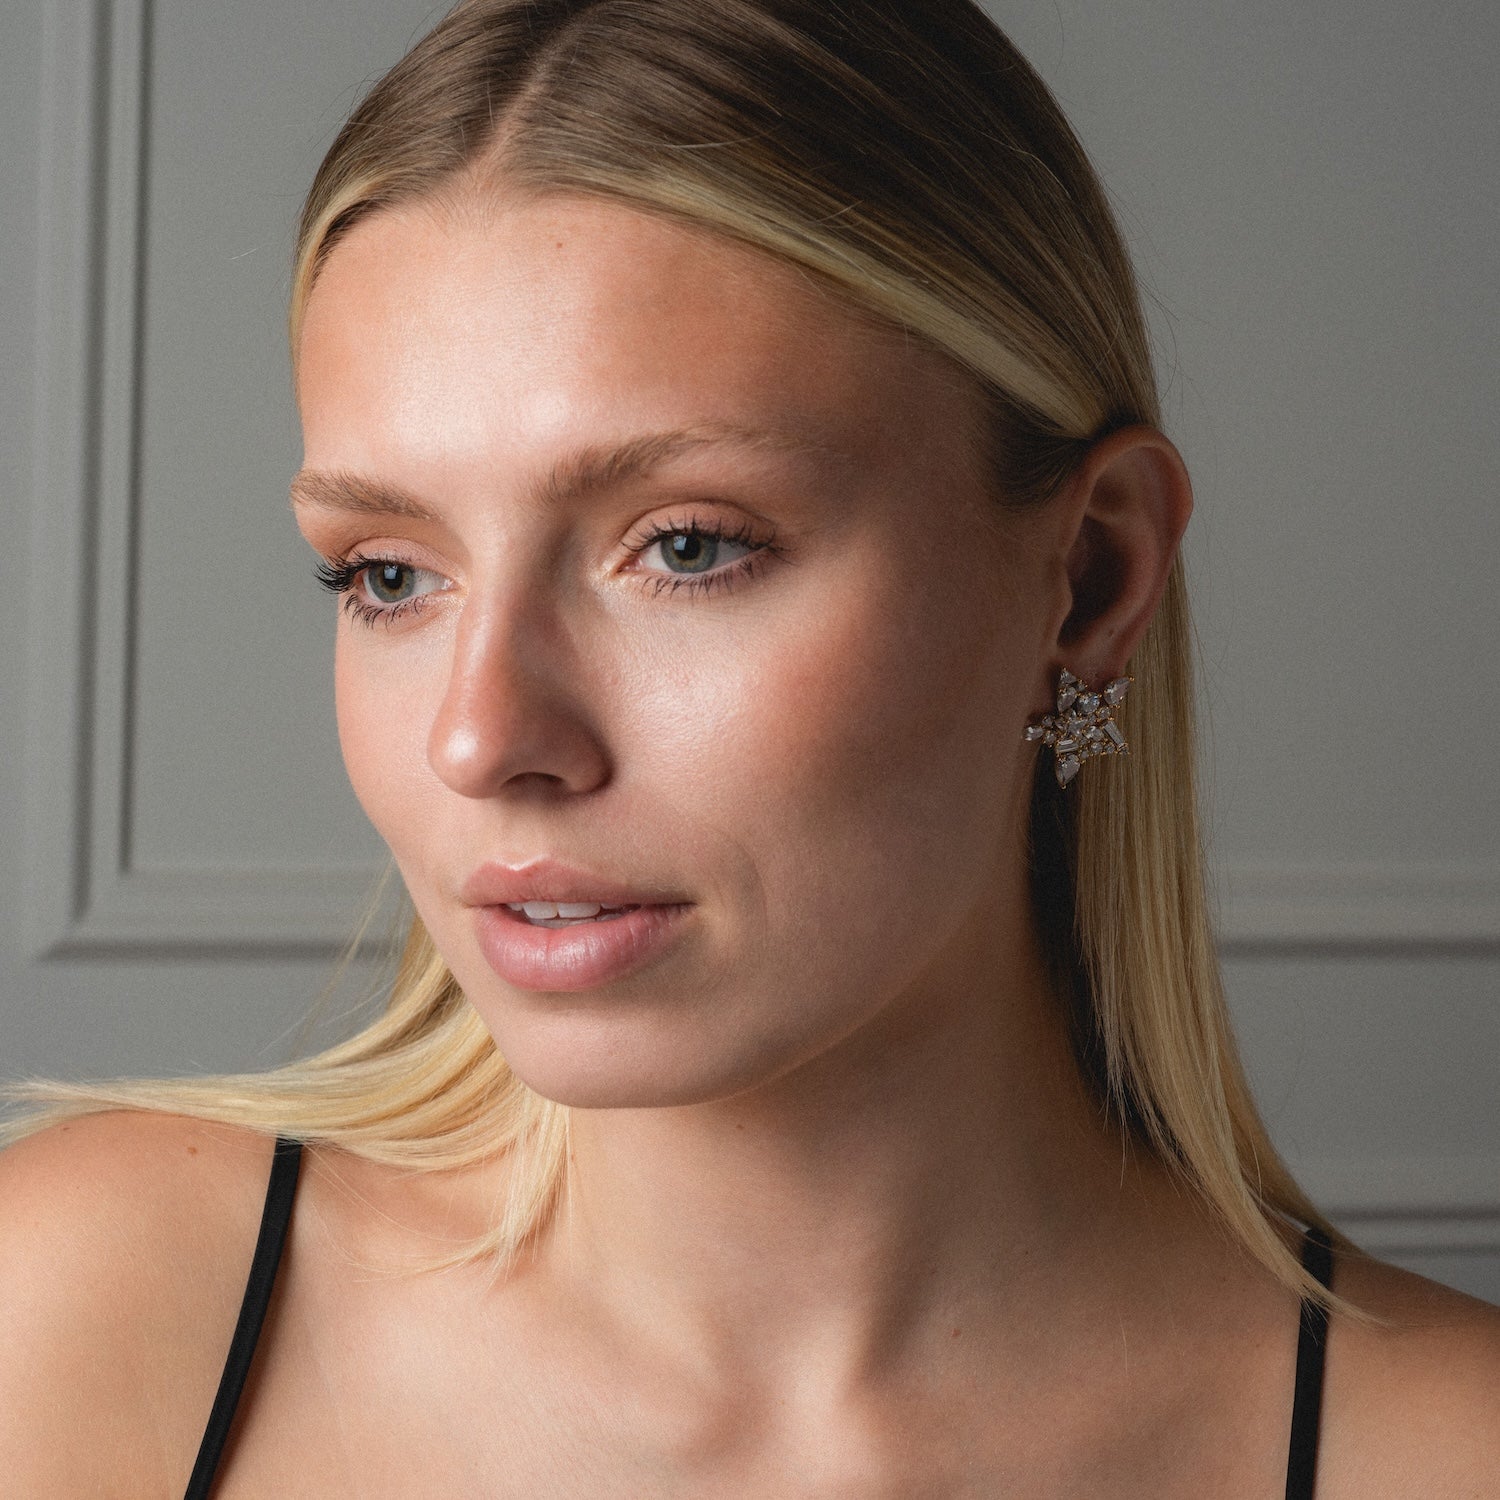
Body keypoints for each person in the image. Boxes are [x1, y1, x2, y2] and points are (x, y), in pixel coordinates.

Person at [2, 0, 1496, 1493]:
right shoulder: (80, 1320)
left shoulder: (1443, 1455)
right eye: (388, 573)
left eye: (690, 549)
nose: (482, 738)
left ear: (1091, 576)